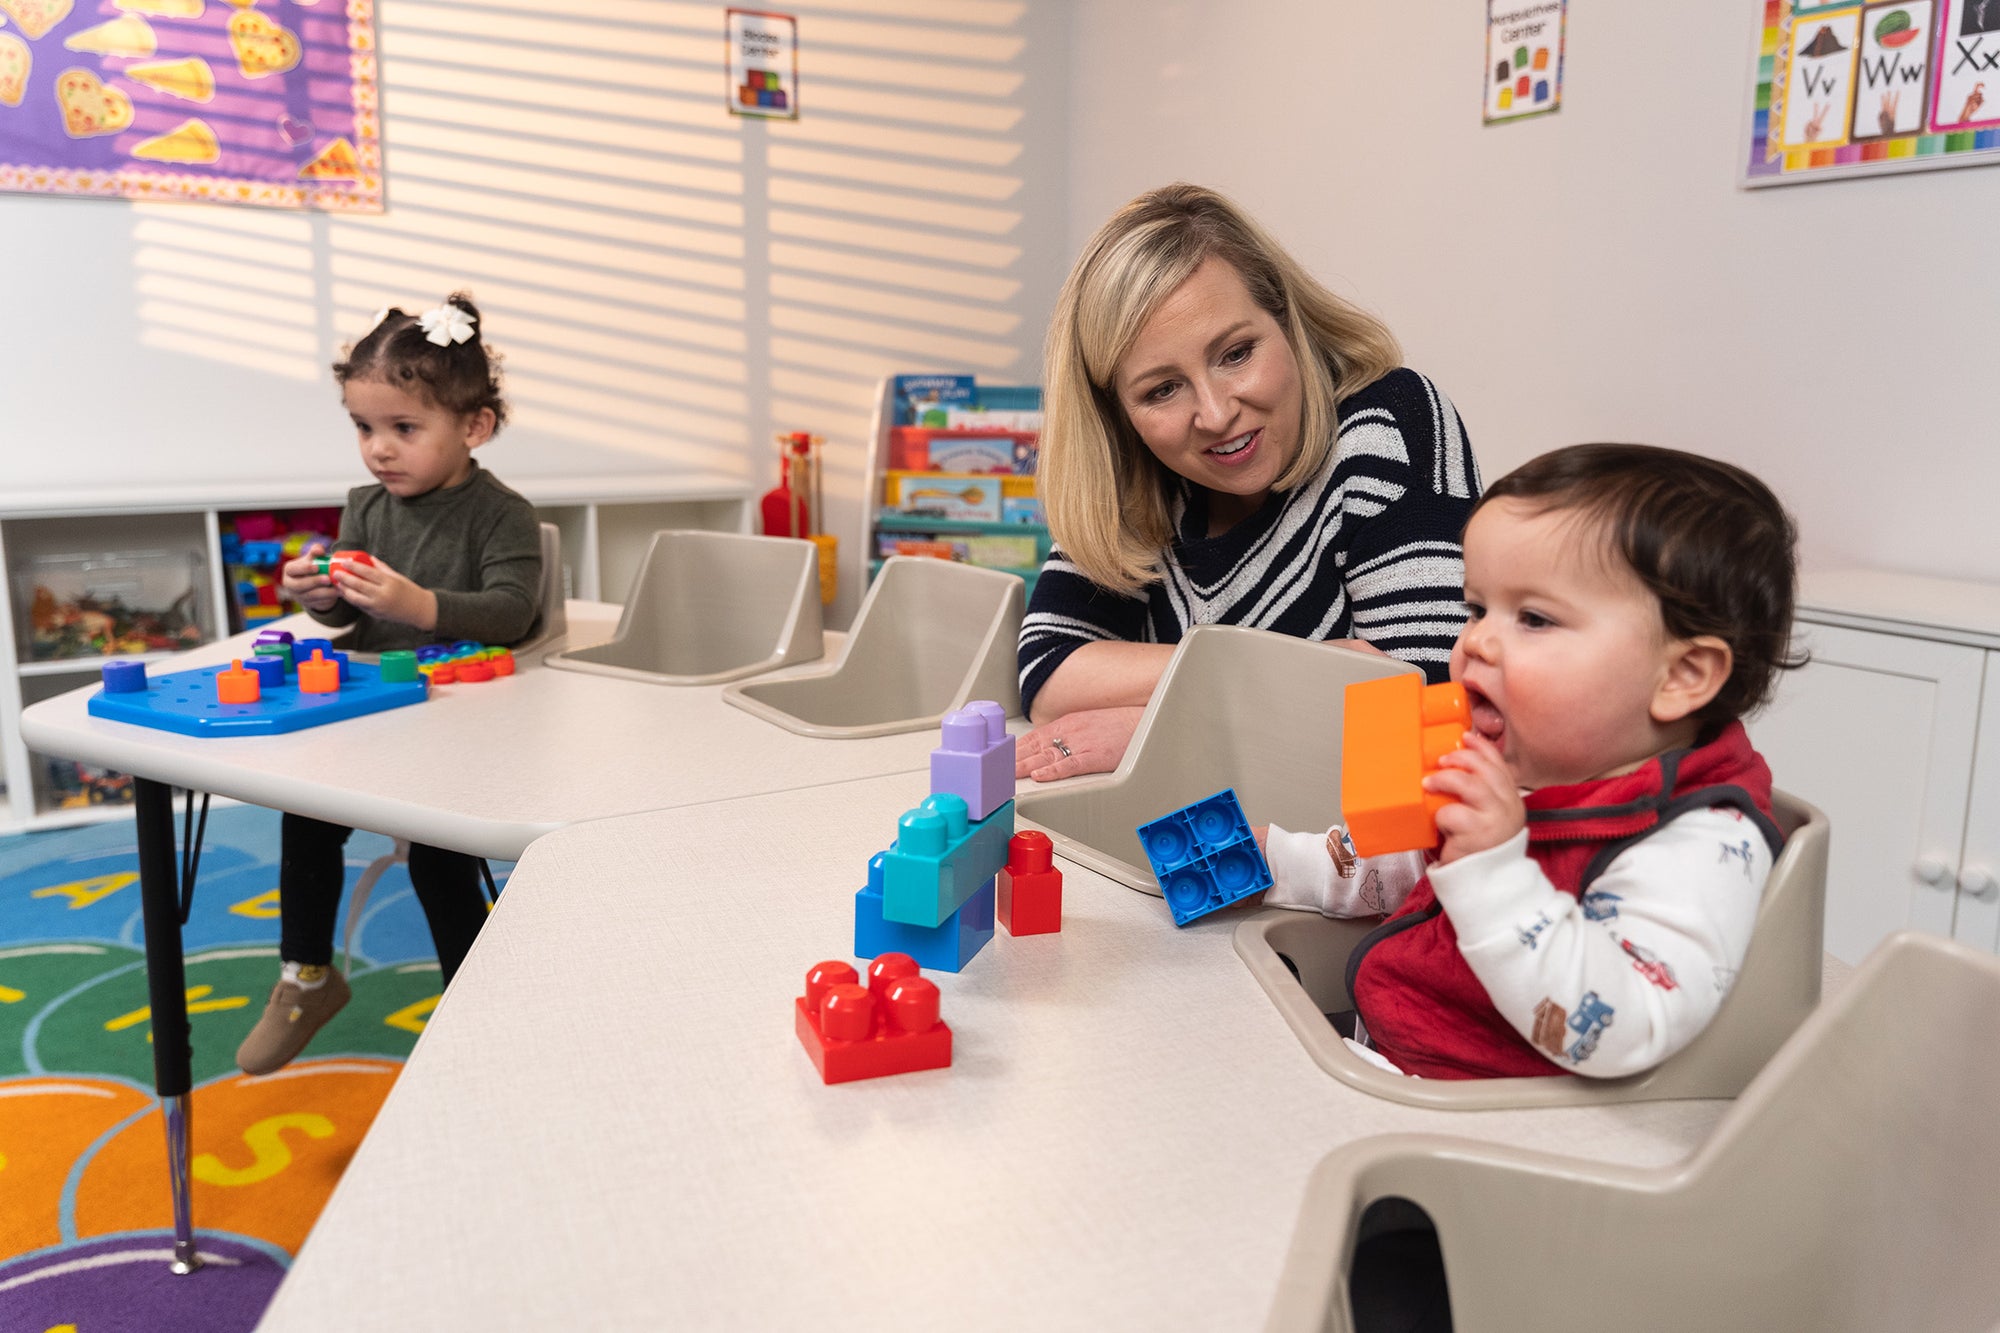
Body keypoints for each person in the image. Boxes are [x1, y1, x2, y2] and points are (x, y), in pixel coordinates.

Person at [1257, 443, 1802, 1080]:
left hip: (1499, 1120)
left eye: (1535, 619)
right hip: (1395, 1056)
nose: (1475, 641)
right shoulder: (1536, 757)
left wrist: (1492, 869)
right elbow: (1415, 860)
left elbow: (1615, 1032)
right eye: (1478, 608)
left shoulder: (1701, 844)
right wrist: (1282, 861)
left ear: (1681, 675)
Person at [1015, 183, 1480, 782]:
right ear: (1119, 415)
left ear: (1285, 319)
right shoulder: (1142, 473)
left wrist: (1158, 721)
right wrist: (1297, 675)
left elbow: (1429, 686)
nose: (1214, 413)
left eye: (1235, 353)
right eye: (1161, 389)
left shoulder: (1389, 419)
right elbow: (1048, 668)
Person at [235, 293, 543, 1076]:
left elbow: (513, 612)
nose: (380, 449)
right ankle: (305, 977)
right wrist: (322, 598)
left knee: (441, 860)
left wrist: (420, 605)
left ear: (473, 426)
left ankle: (479, 1007)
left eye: (404, 428)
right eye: (365, 428)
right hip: (371, 714)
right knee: (305, 816)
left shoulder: (500, 515)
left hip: (460, 732)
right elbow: (347, 629)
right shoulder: (364, 508)